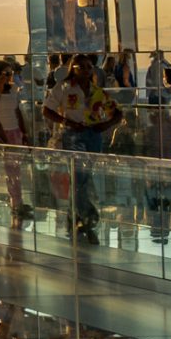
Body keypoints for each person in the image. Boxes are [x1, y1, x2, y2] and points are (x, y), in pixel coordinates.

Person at [43, 54, 121, 237]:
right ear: (73, 69)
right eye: (81, 67)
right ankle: (87, 214)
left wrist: (106, 125)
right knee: (79, 177)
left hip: (93, 135)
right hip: (73, 136)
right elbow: (47, 109)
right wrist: (67, 122)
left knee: (85, 177)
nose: (86, 70)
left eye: (88, 67)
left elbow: (117, 113)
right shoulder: (63, 88)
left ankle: (76, 216)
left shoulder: (97, 92)